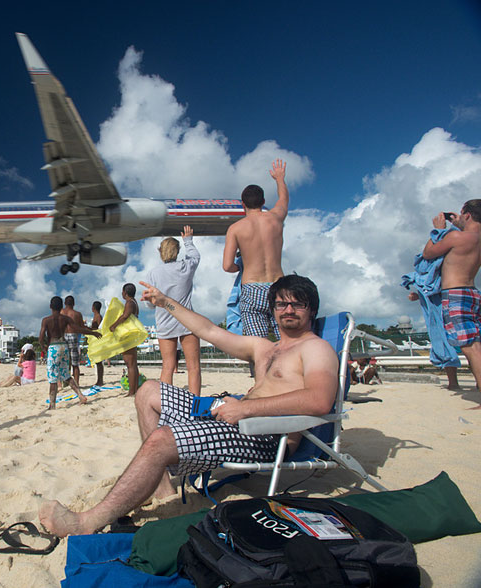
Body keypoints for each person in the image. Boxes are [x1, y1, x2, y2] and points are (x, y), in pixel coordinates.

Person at [39, 275, 337, 537]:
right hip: (235, 418)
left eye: (297, 304)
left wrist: (246, 409)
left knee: (161, 440)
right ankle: (163, 489)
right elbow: (208, 331)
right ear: (272, 308)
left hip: (267, 435)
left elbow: (319, 400)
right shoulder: (265, 347)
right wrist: (165, 302)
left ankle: (86, 522)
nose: (288, 310)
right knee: (148, 391)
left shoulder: (315, 348)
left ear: (311, 309)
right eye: (281, 304)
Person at [422, 200, 481, 409]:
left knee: (471, 347)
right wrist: (459, 225)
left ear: (467, 214)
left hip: (455, 293)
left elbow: (428, 253)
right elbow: (469, 242)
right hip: (473, 292)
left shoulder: (456, 237)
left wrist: (438, 230)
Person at [222, 159, 290, 341]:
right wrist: (279, 179)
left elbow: (227, 266)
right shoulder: (276, 219)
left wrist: (240, 266)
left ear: (242, 204)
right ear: (263, 201)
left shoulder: (236, 229)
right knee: (286, 341)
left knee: (258, 346)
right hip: (278, 285)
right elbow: (283, 200)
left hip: (252, 287)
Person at [148, 225, 202, 396]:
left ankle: (167, 405)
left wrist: (151, 302)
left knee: (168, 366)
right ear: (177, 251)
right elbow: (195, 256)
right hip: (187, 321)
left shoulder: (154, 273)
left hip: (165, 320)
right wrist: (188, 241)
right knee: (193, 367)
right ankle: (195, 405)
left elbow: (151, 304)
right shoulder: (185, 267)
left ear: (160, 252)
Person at [40, 296, 102, 408]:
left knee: (53, 378)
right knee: (67, 375)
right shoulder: (65, 319)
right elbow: (78, 329)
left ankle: (52, 405)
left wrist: (43, 347)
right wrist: (93, 333)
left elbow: (41, 337)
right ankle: (81, 396)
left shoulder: (46, 320)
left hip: (53, 347)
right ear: (61, 306)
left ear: (50, 306)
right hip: (63, 346)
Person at [110, 284, 141, 397]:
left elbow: (125, 316)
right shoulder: (134, 302)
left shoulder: (129, 302)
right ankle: (135, 389)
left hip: (129, 335)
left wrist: (114, 325)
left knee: (130, 364)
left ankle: (132, 391)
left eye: (122, 292)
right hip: (132, 334)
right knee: (132, 364)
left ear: (125, 292)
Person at [61, 296, 86, 384]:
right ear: (74, 303)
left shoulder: (61, 312)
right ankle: (76, 383)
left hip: (63, 337)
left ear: (64, 303)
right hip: (73, 336)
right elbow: (82, 328)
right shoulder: (77, 314)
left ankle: (65, 382)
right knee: (75, 364)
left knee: (64, 362)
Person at [90, 301, 106, 386]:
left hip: (98, 341)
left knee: (99, 362)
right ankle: (99, 380)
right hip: (96, 340)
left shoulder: (98, 316)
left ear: (93, 307)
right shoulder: (96, 316)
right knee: (98, 362)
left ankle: (100, 380)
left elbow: (100, 329)